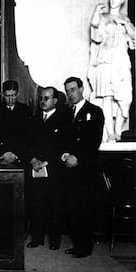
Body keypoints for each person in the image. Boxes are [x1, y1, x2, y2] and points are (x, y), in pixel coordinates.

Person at [62, 77, 104, 258]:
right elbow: (61, 140)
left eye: (73, 89)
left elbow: (93, 141)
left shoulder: (94, 112)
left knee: (85, 208)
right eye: (68, 91)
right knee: (72, 208)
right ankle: (77, 243)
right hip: (68, 168)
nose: (70, 94)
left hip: (85, 169)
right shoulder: (65, 113)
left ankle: (85, 247)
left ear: (81, 89)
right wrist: (65, 155)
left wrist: (77, 157)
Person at [27, 87, 69, 251]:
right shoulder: (34, 119)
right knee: (36, 204)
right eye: (41, 98)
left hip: (54, 170)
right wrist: (33, 160)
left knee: (54, 206)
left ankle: (54, 240)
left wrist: (46, 162)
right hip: (35, 168)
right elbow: (27, 143)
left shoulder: (63, 120)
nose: (43, 101)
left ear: (55, 101)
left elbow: (63, 146)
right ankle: (37, 238)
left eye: (47, 98)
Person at [88, 0, 135, 142]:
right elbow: (95, 31)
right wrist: (96, 11)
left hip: (121, 60)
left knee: (127, 97)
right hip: (106, 60)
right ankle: (111, 132)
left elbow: (134, 36)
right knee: (107, 97)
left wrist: (125, 24)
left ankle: (119, 129)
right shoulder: (103, 16)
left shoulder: (125, 19)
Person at [0, 80, 32, 167]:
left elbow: (28, 136)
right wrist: (3, 154)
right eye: (7, 96)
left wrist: (16, 155)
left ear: (18, 94)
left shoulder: (26, 110)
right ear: (3, 95)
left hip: (20, 157)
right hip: (1, 157)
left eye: (13, 95)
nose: (10, 99)